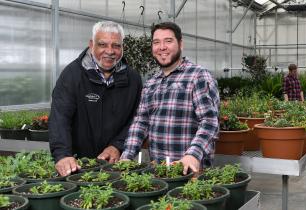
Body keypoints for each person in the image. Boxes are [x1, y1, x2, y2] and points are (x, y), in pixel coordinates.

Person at [120, 22, 220, 175]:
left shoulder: (198, 76)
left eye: (168, 41)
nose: (162, 47)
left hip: (190, 171)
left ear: (180, 44)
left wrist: (192, 154)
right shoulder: (151, 82)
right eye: (156, 42)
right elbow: (141, 122)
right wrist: (127, 156)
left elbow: (209, 121)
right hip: (158, 172)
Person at [49, 21, 143, 176]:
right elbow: (60, 117)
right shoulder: (73, 75)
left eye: (116, 45)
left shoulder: (133, 79)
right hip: (78, 165)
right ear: (92, 44)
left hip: (117, 164)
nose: (110, 51)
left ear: (122, 47)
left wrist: (117, 146)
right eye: (102, 44)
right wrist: (63, 154)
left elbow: (137, 118)